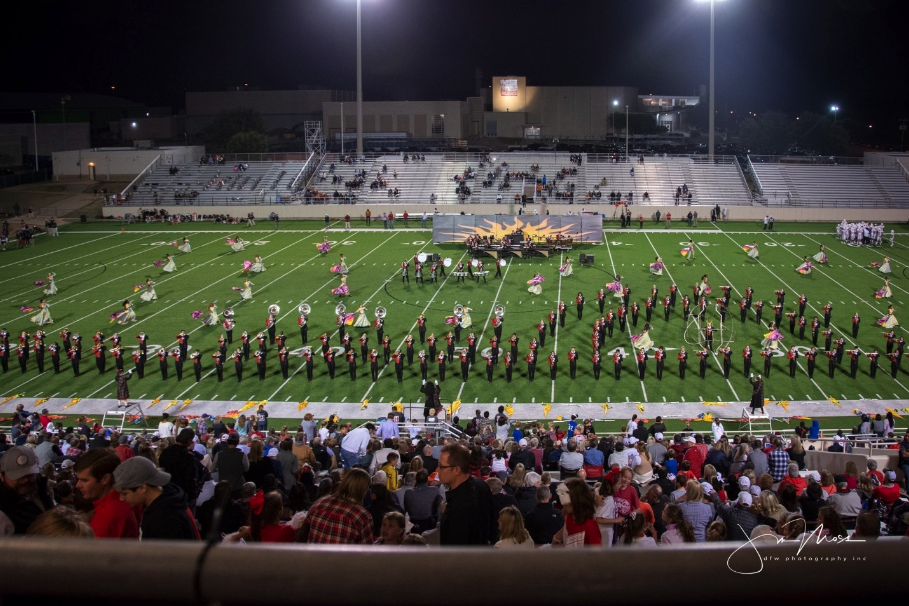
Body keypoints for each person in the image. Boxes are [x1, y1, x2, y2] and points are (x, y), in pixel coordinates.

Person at [113, 456, 199, 540]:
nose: (121, 498)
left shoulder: (163, 520)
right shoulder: (171, 500)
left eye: (124, 494)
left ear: (143, 488)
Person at [73, 448, 139, 538]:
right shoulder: (124, 499)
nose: (78, 485)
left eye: (84, 480)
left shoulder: (107, 516)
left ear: (105, 479)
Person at [438, 443, 496, 545]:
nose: (437, 470)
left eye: (441, 466)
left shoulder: (459, 508)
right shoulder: (482, 485)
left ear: (456, 470)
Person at [304, 467, 374, 544]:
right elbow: (366, 553)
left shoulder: (319, 504)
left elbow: (305, 534)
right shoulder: (362, 516)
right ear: (364, 490)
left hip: (312, 555)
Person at [0, 446, 54, 534]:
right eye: (17, 476)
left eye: (29, 474)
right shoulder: (3, 514)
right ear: (2, 476)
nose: (25, 480)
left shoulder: (41, 487)